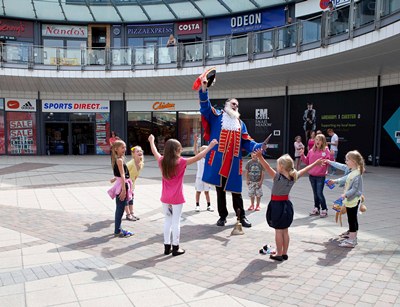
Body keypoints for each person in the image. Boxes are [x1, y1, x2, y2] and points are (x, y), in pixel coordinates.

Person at [199, 74, 267, 228]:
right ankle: (222, 216)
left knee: (236, 192)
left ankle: (241, 217)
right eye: (233, 103)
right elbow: (205, 107)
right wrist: (204, 88)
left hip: (233, 163)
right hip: (218, 162)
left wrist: (259, 146)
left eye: (237, 105)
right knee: (220, 191)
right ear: (227, 104)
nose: (236, 106)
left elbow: (247, 141)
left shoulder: (240, 123)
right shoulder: (217, 116)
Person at [148, 134, 218, 256]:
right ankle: (176, 248)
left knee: (167, 221)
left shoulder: (161, 161)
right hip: (177, 198)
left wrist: (151, 141)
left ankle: (166, 247)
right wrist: (211, 146)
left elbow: (154, 151)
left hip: (165, 198)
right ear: (176, 150)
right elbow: (199, 156)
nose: (181, 150)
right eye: (179, 148)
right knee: (176, 222)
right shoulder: (181, 162)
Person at [255, 150, 322, 261]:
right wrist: (315, 163)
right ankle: (284, 253)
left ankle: (279, 254)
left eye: (277, 165)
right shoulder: (293, 176)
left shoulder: (278, 177)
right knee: (285, 230)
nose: (276, 167)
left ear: (281, 166)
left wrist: (260, 157)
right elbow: (305, 169)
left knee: (278, 231)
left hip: (277, 206)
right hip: (287, 206)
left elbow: (266, 167)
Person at [327, 151, 365, 248]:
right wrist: (334, 181)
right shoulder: (353, 172)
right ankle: (353, 238)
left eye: (347, 160)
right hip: (351, 200)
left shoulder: (356, 174)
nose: (346, 162)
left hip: (352, 200)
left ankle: (351, 240)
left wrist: (345, 195)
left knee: (352, 220)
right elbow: (344, 179)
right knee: (352, 219)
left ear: (354, 161)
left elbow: (355, 189)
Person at [300, 134, 333, 218]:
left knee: (319, 193)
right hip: (312, 175)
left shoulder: (325, 150)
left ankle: (324, 209)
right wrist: (302, 155)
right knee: (315, 193)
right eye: (316, 139)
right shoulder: (311, 150)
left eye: (319, 140)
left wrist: (331, 156)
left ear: (323, 141)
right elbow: (307, 162)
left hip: (320, 176)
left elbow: (329, 161)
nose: (317, 141)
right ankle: (316, 208)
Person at [107, 140, 134, 238]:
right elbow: (122, 175)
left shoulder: (117, 159)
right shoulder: (119, 160)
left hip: (121, 184)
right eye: (122, 147)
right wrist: (123, 190)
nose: (124, 149)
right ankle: (118, 230)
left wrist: (115, 178)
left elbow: (119, 174)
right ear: (116, 149)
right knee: (120, 208)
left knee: (120, 208)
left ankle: (118, 228)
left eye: (125, 147)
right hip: (122, 186)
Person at [193, 134, 213, 212]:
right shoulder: (199, 158)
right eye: (202, 150)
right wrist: (195, 141)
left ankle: (209, 205)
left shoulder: (209, 159)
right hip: (199, 177)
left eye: (206, 150)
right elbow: (195, 150)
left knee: (207, 192)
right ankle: (197, 205)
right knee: (198, 191)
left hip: (206, 178)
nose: (204, 152)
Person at [126, 146, 144, 221]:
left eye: (141, 151)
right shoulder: (130, 164)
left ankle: (132, 213)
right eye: (137, 151)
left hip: (132, 184)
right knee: (126, 199)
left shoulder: (141, 163)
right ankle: (128, 214)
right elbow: (122, 172)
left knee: (131, 198)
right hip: (125, 183)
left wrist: (133, 183)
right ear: (133, 154)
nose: (140, 152)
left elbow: (136, 175)